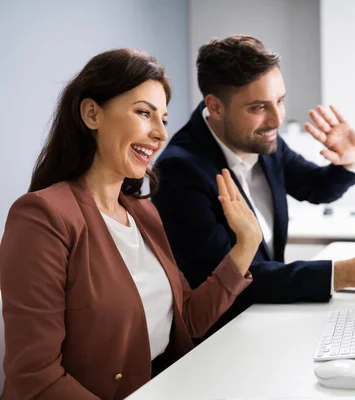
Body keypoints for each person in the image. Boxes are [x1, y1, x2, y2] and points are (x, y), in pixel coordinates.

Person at [0, 49, 263, 399]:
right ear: (92, 114)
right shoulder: (42, 218)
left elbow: (185, 319)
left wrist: (245, 246)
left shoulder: (143, 213)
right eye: (144, 113)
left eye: (164, 119)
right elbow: (36, 378)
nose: (160, 134)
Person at [152, 35, 355, 338]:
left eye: (280, 101)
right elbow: (232, 280)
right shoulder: (179, 171)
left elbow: (314, 188)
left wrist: (349, 161)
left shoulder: (261, 138)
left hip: (267, 318)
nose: (277, 119)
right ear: (216, 107)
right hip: (222, 337)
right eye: (259, 107)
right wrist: (346, 273)